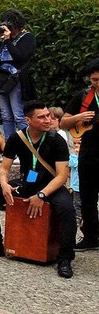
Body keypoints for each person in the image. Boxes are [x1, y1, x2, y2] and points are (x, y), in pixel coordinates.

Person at [0, 101, 76, 278]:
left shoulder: (57, 140)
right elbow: (4, 168)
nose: (48, 120)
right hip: (28, 181)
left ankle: (65, 258)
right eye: (42, 117)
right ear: (28, 120)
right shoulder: (17, 138)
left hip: (51, 185)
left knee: (66, 209)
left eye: (48, 115)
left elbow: (62, 176)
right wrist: (4, 184)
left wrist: (41, 195)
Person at [61, 58, 99, 250]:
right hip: (89, 152)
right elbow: (63, 123)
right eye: (94, 80)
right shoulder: (83, 96)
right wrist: (79, 117)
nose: (97, 83)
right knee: (87, 197)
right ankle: (91, 237)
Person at [0, 9, 36, 140]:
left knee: (18, 114)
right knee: (5, 115)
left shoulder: (27, 37)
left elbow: (20, 57)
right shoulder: (4, 38)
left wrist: (8, 40)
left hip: (16, 79)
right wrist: (0, 39)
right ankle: (10, 145)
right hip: (1, 78)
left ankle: (26, 145)